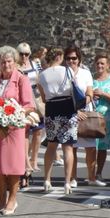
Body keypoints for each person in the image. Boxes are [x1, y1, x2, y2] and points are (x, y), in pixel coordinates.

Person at [0, 46, 35, 215]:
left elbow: (29, 105)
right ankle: (1, 200)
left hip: (13, 129)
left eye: (9, 61)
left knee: (12, 166)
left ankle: (12, 200)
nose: (6, 64)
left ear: (15, 62)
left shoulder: (21, 79)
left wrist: (13, 113)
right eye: (3, 61)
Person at [38, 47, 82, 194]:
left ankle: (47, 180)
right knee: (67, 147)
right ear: (59, 57)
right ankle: (67, 182)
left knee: (51, 145)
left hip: (51, 108)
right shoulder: (67, 71)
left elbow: (43, 98)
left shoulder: (42, 75)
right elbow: (74, 89)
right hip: (67, 107)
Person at [64, 46, 98, 188]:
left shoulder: (85, 73)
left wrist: (84, 103)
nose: (72, 61)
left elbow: (89, 92)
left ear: (79, 59)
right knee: (72, 147)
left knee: (90, 147)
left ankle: (91, 177)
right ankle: (73, 178)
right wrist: (75, 111)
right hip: (71, 113)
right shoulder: (63, 74)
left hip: (85, 112)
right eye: (69, 58)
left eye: (74, 58)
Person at [17, 42, 44, 186]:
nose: (24, 56)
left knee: (38, 131)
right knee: (25, 132)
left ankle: (33, 160)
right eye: (21, 53)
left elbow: (40, 80)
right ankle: (25, 163)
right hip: (24, 101)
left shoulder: (35, 64)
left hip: (36, 99)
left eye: (26, 54)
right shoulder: (15, 66)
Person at [92, 53, 110, 183]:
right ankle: (90, 173)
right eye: (98, 63)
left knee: (102, 147)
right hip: (92, 117)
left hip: (106, 117)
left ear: (107, 65)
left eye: (102, 63)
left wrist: (103, 93)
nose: (100, 65)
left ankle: (98, 173)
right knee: (91, 146)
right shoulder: (91, 78)